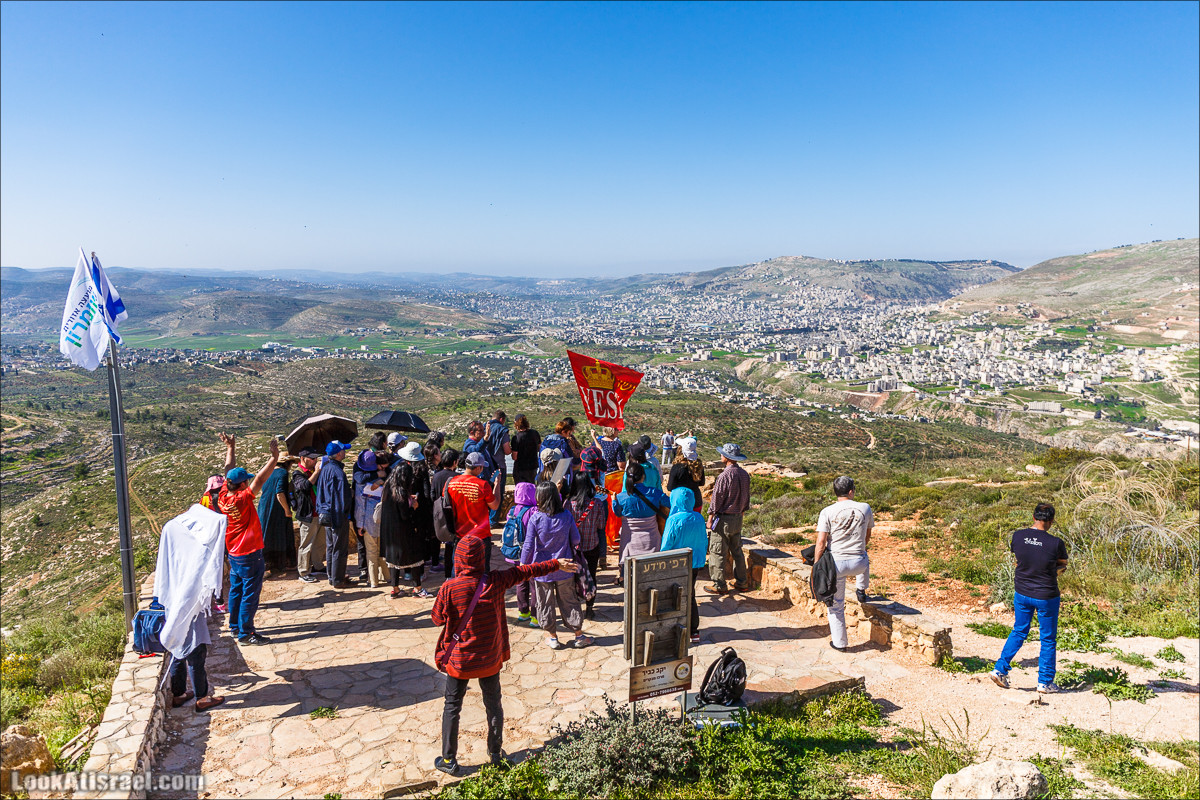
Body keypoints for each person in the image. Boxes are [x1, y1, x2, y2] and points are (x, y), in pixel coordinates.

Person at [432, 534, 579, 776]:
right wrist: (556, 563)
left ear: (458, 559)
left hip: (460, 661)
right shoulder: (496, 581)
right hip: (489, 658)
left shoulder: (450, 588)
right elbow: (526, 571)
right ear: (482, 558)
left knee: (452, 706)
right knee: (493, 705)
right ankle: (496, 754)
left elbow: (437, 619)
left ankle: (448, 759)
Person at [990, 503, 1069, 694]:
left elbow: (1018, 560)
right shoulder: (1056, 543)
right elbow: (1062, 565)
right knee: (1047, 639)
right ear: (1051, 520)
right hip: (1046, 595)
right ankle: (1045, 682)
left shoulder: (1018, 536)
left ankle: (1000, 669)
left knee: (1019, 631)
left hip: (1022, 592)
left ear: (1033, 517)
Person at [217, 438, 281, 645]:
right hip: (249, 553)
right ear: (242, 485)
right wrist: (274, 458)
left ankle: (235, 627)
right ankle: (246, 633)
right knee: (250, 594)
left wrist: (230, 448)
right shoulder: (241, 499)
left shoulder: (224, 495)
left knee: (236, 590)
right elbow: (260, 480)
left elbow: (228, 469)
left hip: (234, 552)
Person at [521, 482, 594, 650]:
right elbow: (576, 539)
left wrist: (523, 565)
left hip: (542, 569)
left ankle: (552, 637)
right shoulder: (567, 515)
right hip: (565, 567)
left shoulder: (536, 518)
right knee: (569, 601)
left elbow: (528, 545)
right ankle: (579, 635)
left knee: (544, 603)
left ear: (540, 497)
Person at [812, 476, 874, 651]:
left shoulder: (827, 511)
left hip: (836, 565)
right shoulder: (865, 508)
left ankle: (840, 643)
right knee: (864, 555)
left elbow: (821, 543)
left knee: (836, 605)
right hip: (859, 564)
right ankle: (861, 589)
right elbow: (867, 536)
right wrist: (858, 549)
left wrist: (817, 565)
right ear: (851, 491)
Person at [380, 443, 432, 597]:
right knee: (415, 559)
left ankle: (395, 588)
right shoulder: (401, 493)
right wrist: (413, 506)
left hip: (390, 532)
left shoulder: (388, 487)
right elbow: (405, 514)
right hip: (404, 532)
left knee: (393, 561)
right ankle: (418, 588)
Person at [660, 487, 707, 643]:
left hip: (676, 564)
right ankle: (693, 630)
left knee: (674, 596)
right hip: (694, 563)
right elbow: (703, 541)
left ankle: (675, 628)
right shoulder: (698, 518)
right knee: (690, 594)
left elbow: (666, 545)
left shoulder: (673, 520)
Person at [705, 443, 751, 596]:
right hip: (737, 518)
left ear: (727, 457)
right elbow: (746, 497)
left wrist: (710, 518)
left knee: (717, 551)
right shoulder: (744, 475)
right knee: (737, 551)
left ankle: (719, 584)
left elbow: (716, 499)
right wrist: (742, 512)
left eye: (722, 454)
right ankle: (742, 582)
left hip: (723, 519)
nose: (721, 455)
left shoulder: (724, 476)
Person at [612, 462, 669, 581]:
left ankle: (623, 578)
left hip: (629, 540)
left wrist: (614, 501)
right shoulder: (654, 493)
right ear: (643, 476)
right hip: (651, 540)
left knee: (627, 564)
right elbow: (669, 503)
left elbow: (618, 513)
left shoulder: (621, 497)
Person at [567, 472, 608, 620]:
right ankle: (589, 609)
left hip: (574, 549)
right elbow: (601, 526)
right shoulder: (596, 504)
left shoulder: (568, 504)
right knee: (591, 576)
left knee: (574, 578)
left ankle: (575, 607)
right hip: (592, 546)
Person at [315, 440, 353, 588]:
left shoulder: (325, 469)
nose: (345, 452)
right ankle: (338, 580)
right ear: (338, 454)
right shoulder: (338, 473)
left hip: (326, 514)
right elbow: (341, 498)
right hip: (337, 516)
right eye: (343, 450)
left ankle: (332, 577)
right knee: (339, 548)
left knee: (331, 547)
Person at [353, 433, 391, 579]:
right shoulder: (368, 473)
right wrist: (378, 476)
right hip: (376, 516)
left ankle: (373, 577)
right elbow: (359, 478)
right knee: (377, 549)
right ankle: (381, 576)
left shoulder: (368, 464)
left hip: (366, 518)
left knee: (371, 549)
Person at [446, 452, 503, 541]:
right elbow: (495, 505)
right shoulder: (482, 485)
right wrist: (497, 483)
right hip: (480, 534)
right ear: (478, 468)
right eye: (482, 467)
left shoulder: (451, 483)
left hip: (459, 533)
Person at [504, 481, 539, 625]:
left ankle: (523, 612)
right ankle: (535, 617)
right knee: (535, 585)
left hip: (516, 553)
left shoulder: (512, 511)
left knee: (521, 582)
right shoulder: (534, 511)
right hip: (531, 554)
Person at [291, 448, 326, 583]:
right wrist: (316, 472)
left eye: (316, 458)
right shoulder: (298, 473)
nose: (315, 461)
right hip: (307, 514)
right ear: (303, 458)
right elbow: (304, 486)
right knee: (306, 544)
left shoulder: (312, 471)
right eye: (312, 458)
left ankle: (318, 565)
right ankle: (303, 571)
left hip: (319, 512)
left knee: (320, 542)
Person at [257, 456, 295, 573]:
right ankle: (283, 564)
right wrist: (287, 510)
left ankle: (267, 565)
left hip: (264, 507)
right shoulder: (283, 473)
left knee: (267, 535)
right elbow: (280, 493)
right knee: (281, 535)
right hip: (276, 509)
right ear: (287, 463)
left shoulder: (268, 472)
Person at [431, 448, 460, 576]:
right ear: (455, 462)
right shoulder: (457, 477)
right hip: (453, 514)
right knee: (453, 544)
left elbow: (432, 495)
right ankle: (454, 573)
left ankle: (447, 575)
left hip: (439, 513)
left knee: (446, 543)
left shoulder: (436, 476)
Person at [484, 411, 513, 526]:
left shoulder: (484, 427)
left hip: (484, 467)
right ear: (502, 419)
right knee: (497, 492)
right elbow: (507, 450)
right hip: (498, 467)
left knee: (486, 491)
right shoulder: (502, 430)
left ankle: (485, 519)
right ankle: (493, 520)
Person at [667, 439, 705, 513]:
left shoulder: (677, 467)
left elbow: (670, 487)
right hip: (696, 500)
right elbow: (702, 483)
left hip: (681, 501)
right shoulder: (698, 465)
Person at [510, 414, 542, 486]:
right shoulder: (535, 433)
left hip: (520, 468)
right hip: (533, 466)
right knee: (531, 486)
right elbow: (539, 448)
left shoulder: (516, 438)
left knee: (521, 488)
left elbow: (514, 457)